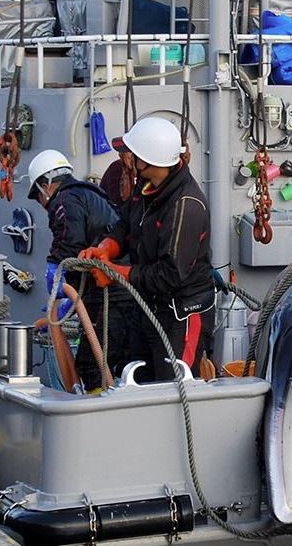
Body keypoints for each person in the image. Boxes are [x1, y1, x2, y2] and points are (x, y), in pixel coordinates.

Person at [79, 116, 215, 382]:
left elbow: (170, 275)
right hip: (150, 310)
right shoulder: (148, 188)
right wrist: (106, 248)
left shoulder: (186, 205)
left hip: (181, 316)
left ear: (148, 161)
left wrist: (117, 273)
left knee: (176, 389)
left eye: (133, 155)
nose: (128, 161)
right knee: (138, 381)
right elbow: (127, 224)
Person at [27, 149, 122, 392]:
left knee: (93, 367)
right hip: (106, 290)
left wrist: (55, 270)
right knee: (106, 361)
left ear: (45, 186)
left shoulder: (64, 200)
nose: (41, 204)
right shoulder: (88, 195)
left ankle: (96, 419)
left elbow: (70, 241)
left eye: (38, 196)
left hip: (110, 294)